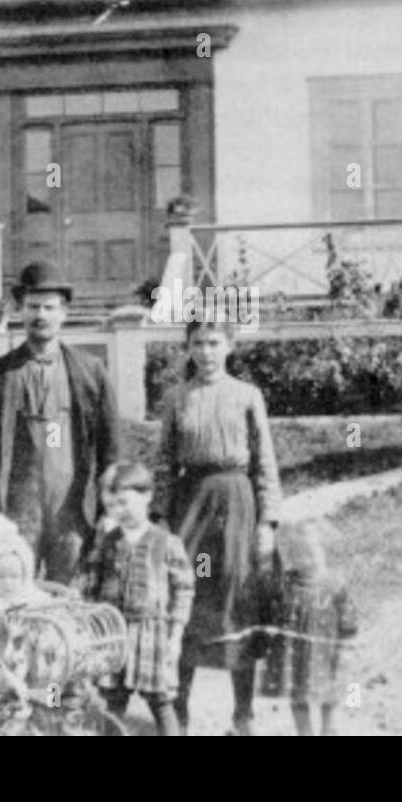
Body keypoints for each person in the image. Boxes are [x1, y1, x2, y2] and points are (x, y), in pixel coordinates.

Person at [0, 260, 120, 584]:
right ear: (20, 310)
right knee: (13, 595)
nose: (40, 315)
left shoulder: (90, 372)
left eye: (49, 307)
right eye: (32, 306)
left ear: (64, 312)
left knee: (70, 597)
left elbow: (112, 449)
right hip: (15, 511)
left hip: (71, 512)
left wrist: (112, 508)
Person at [157, 315, 282, 736]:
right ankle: (180, 714)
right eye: (197, 343)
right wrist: (159, 518)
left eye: (214, 343)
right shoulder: (177, 397)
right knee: (187, 594)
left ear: (229, 346)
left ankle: (242, 716)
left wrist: (268, 521)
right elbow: (163, 463)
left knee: (236, 598)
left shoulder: (247, 395)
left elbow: (264, 461)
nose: (206, 352)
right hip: (192, 503)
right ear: (188, 348)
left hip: (236, 504)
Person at [84, 462, 194, 736]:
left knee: (161, 701)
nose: (118, 511)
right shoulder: (107, 542)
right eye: (112, 506)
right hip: (115, 634)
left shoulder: (167, 543)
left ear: (146, 497)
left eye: (124, 503)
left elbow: (185, 588)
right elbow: (89, 584)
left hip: (152, 635)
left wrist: (175, 636)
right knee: (113, 700)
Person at [258, 520, 359, 736]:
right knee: (298, 697)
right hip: (296, 657)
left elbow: (348, 623)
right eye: (298, 554)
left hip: (327, 656)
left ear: (324, 552)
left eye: (310, 553)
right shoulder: (286, 583)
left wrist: (346, 652)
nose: (304, 560)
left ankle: (328, 729)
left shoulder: (335, 585)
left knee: (330, 697)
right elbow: (274, 613)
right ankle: (304, 732)